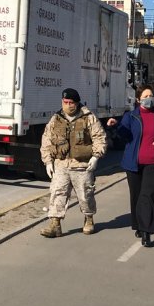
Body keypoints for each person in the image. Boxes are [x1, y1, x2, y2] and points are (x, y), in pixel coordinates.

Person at [107, 85, 154, 247]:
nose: (149, 98)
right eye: (145, 96)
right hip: (134, 163)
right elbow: (124, 135)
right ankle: (138, 225)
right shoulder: (131, 116)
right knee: (137, 196)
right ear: (138, 99)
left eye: (151, 95)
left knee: (147, 196)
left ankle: (146, 232)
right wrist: (115, 125)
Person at [39, 88, 107, 238]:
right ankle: (55, 224)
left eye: (71, 102)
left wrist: (96, 157)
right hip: (61, 165)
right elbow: (46, 140)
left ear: (76, 103)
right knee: (57, 194)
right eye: (65, 102)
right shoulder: (56, 119)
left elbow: (99, 138)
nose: (68, 105)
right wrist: (48, 162)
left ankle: (88, 219)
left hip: (81, 165)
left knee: (85, 195)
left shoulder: (88, 117)